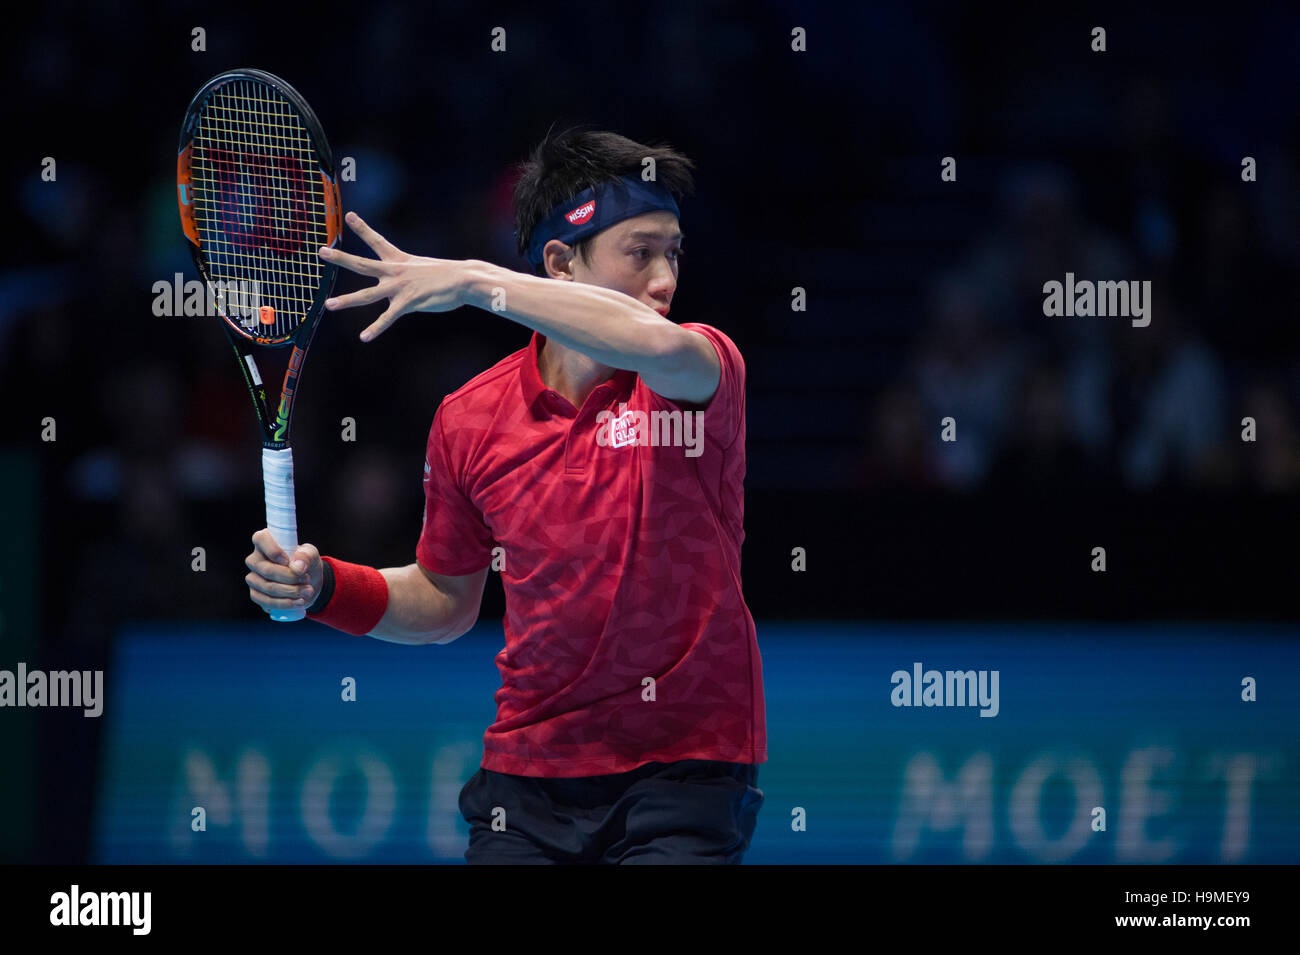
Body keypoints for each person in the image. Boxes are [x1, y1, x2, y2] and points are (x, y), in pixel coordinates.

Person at [244, 128, 766, 863]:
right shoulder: (471, 418)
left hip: (684, 774)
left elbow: (654, 345)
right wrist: (326, 584)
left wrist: (472, 282)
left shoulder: (698, 374)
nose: (664, 281)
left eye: (673, 252)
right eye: (639, 252)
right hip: (528, 783)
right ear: (561, 261)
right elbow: (444, 599)